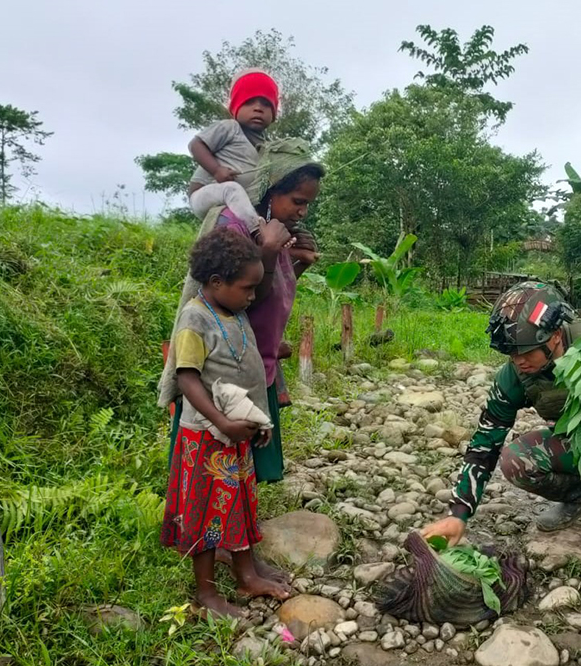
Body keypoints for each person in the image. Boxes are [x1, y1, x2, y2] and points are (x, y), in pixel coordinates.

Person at [420, 282, 581, 594]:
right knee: (515, 460)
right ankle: (579, 496)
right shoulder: (515, 377)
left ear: (556, 335)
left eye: (525, 351)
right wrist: (458, 514)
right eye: (510, 353)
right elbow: (483, 445)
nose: (518, 360)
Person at [159, 137, 324, 591]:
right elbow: (235, 312)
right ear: (270, 188)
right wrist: (271, 251)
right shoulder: (240, 233)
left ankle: (244, 565)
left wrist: (297, 260)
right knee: (207, 495)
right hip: (217, 401)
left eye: (307, 203)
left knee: (240, 484)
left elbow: (257, 302)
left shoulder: (270, 229)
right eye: (297, 200)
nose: (302, 211)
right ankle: (209, 583)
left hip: (249, 381)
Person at [160, 227, 288, 618]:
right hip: (207, 436)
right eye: (247, 288)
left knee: (239, 504)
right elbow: (187, 377)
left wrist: (253, 422)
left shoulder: (231, 309)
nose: (253, 296)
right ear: (216, 282)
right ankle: (207, 592)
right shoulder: (194, 319)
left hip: (234, 434)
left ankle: (246, 573)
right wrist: (221, 421)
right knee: (206, 512)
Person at [188, 68, 279, 238]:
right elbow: (196, 145)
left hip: (237, 206)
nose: (258, 108)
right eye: (249, 102)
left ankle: (256, 230)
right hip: (205, 194)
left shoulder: (269, 147)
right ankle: (258, 232)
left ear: (273, 114)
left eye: (266, 104)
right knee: (232, 188)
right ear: (235, 108)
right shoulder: (230, 128)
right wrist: (216, 170)